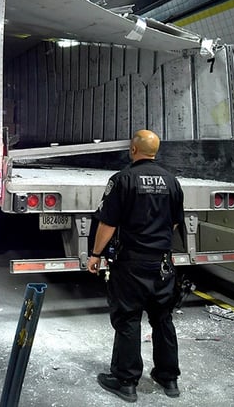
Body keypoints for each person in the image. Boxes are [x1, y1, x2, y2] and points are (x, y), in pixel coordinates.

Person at [87, 129, 184, 403]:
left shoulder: (122, 180)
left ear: (133, 149)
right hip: (162, 264)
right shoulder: (172, 181)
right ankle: (168, 378)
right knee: (162, 319)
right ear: (156, 151)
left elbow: (108, 223)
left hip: (131, 264)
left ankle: (126, 381)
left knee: (128, 318)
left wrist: (96, 254)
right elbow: (175, 222)